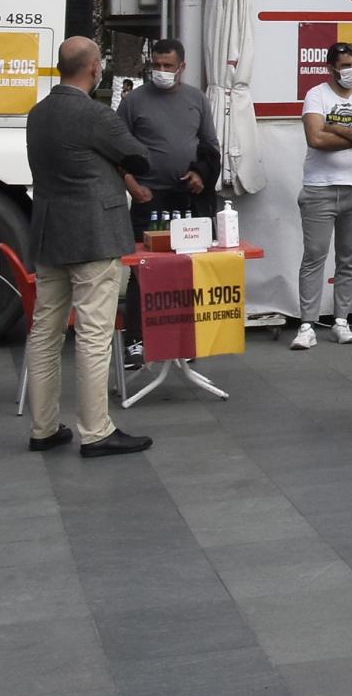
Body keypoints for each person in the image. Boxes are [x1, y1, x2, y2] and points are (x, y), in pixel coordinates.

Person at [23, 35, 155, 457]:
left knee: (45, 331)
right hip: (94, 233)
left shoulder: (38, 113)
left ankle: (43, 428)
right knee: (95, 334)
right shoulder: (95, 115)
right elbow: (140, 159)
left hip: (50, 232)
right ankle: (96, 431)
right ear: (95, 67)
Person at [296, 39, 352, 349]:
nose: (351, 71)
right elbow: (315, 138)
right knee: (314, 256)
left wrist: (338, 128)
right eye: (345, 66)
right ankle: (306, 325)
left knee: (349, 259)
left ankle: (341, 321)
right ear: (330, 67)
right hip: (319, 188)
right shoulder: (316, 95)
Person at [118, 37, 221, 236]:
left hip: (189, 196)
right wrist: (132, 186)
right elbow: (115, 150)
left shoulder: (197, 98)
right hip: (148, 197)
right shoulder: (133, 101)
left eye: (168, 65)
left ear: (181, 67)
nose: (162, 71)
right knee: (147, 261)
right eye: (157, 65)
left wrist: (200, 173)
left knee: (193, 261)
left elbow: (210, 146)